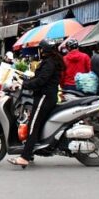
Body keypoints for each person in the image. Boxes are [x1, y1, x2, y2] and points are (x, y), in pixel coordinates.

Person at [8, 39, 65, 168]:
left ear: (43, 50)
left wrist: (24, 84)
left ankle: (25, 157)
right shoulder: (50, 62)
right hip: (46, 96)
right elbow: (39, 78)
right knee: (33, 124)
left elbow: (41, 81)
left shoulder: (49, 63)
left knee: (33, 127)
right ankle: (31, 151)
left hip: (44, 97)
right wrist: (25, 78)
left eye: (40, 49)